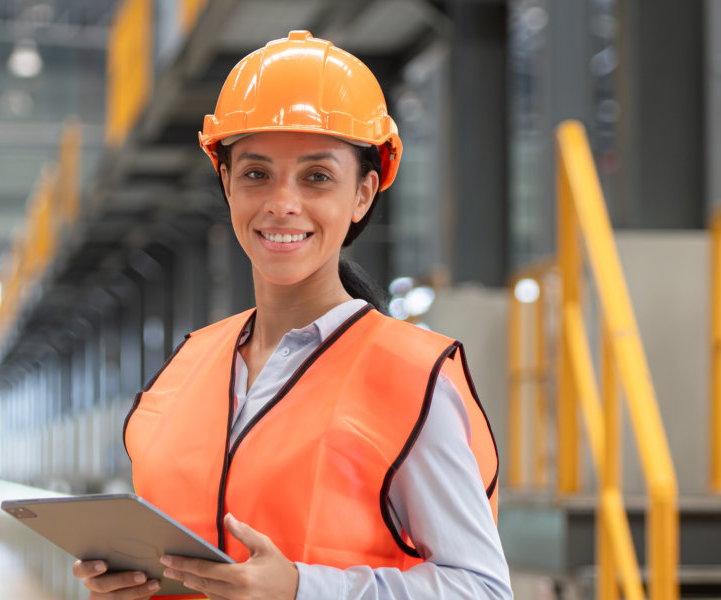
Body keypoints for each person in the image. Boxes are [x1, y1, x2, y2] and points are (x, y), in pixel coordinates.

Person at [72, 31, 509, 600]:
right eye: (256, 173)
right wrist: (130, 584)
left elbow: (480, 588)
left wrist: (303, 588)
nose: (282, 201)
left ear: (363, 193)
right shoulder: (188, 367)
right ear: (227, 184)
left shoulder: (408, 380)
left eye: (317, 177)